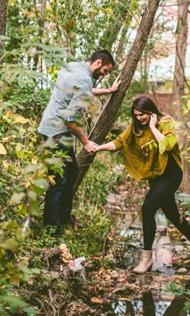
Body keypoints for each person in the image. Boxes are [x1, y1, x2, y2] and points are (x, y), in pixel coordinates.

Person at [95, 96, 190, 273]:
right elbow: (119, 142)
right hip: (158, 177)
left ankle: (146, 260)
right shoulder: (135, 128)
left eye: (142, 115)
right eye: (136, 115)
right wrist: (99, 147)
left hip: (171, 175)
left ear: (150, 111)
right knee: (172, 213)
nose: (139, 118)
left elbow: (168, 145)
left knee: (147, 208)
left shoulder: (165, 122)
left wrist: (153, 126)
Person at [38, 49, 120, 238]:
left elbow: (84, 90)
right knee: (58, 181)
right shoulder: (84, 79)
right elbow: (71, 120)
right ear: (98, 63)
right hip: (57, 133)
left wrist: (109, 91)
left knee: (72, 172)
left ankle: (63, 217)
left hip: (54, 129)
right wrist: (85, 142)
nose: (104, 74)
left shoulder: (75, 67)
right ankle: (52, 230)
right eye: (106, 71)